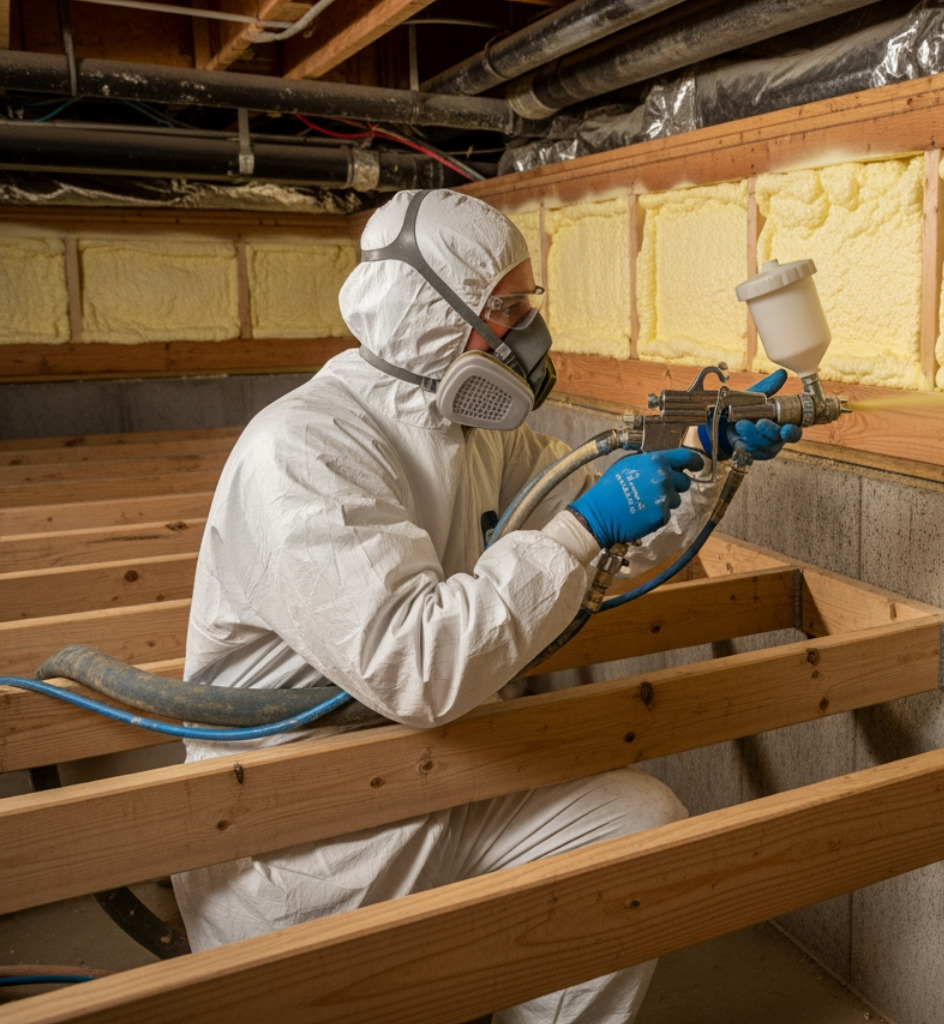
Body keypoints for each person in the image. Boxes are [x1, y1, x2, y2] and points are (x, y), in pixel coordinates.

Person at [171, 188, 800, 1024]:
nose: (528, 336)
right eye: (505, 311)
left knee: (635, 826)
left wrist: (701, 446)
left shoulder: (473, 431)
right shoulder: (304, 449)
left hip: (431, 769)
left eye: (527, 307)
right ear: (433, 315)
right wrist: (583, 528)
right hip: (303, 834)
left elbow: (601, 502)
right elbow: (416, 666)